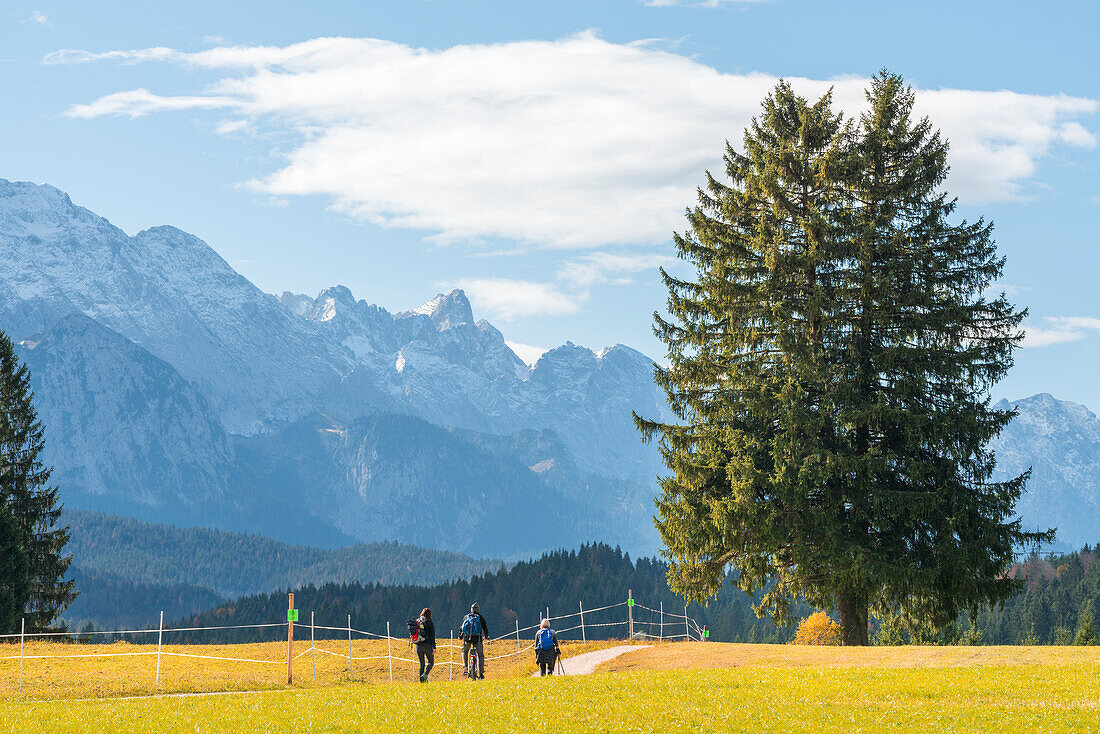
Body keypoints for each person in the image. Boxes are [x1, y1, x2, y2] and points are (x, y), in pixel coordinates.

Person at [460, 602, 489, 679]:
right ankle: (481, 673)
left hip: (467, 639)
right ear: (478, 610)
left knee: (465, 651)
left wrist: (461, 636)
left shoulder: (466, 617)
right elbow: (485, 628)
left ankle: (465, 667)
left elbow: (462, 627)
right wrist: (486, 636)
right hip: (477, 639)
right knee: (480, 655)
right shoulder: (480, 617)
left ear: (471, 609)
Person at [415, 607, 436, 682]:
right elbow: (432, 636)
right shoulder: (430, 623)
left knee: (422, 664)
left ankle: (421, 682)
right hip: (427, 645)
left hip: (418, 645)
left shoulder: (418, 621)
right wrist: (434, 647)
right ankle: (425, 674)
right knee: (431, 662)